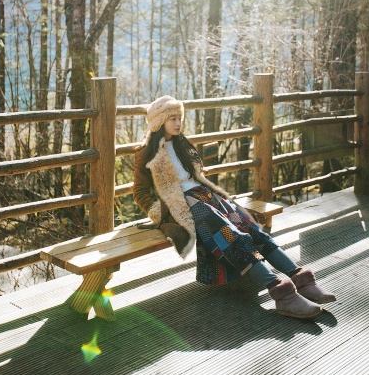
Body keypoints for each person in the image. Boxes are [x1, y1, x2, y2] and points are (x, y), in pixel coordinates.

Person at [133, 95, 336, 319]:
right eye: (172, 118)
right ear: (159, 120)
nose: (178, 122)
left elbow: (195, 176)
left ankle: (302, 280)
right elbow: (139, 193)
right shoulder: (146, 152)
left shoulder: (182, 143)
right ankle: (283, 295)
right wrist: (158, 212)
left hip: (206, 195)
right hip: (181, 205)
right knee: (232, 237)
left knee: (252, 228)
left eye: (179, 117)